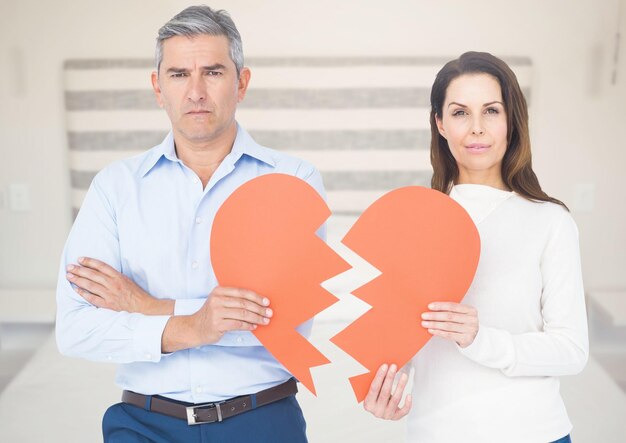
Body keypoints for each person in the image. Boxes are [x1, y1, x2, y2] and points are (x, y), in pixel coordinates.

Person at [56, 5, 322, 442]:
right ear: (158, 88)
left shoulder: (293, 181)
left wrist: (145, 306)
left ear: (242, 82)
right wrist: (196, 323)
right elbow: (75, 330)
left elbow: (286, 328)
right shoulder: (115, 188)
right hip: (142, 424)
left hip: (261, 419)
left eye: (213, 72)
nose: (195, 91)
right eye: (179, 75)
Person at [363, 52, 588, 443]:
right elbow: (403, 338)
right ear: (440, 123)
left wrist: (480, 339)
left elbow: (572, 350)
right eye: (460, 113)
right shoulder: (411, 223)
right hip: (436, 433)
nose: (477, 128)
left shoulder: (551, 222)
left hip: (534, 433)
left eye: (492, 111)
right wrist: (385, 385)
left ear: (511, 121)